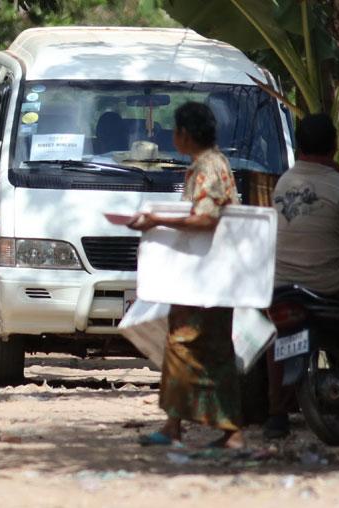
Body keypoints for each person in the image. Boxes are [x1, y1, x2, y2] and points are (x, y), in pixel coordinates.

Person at [128, 102, 244, 449]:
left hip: (206, 279)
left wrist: (158, 221)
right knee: (210, 351)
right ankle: (190, 426)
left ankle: (200, 428)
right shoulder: (208, 165)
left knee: (183, 347)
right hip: (206, 276)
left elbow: (207, 219)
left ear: (185, 134)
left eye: (175, 131)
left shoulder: (208, 167)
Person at [267, 113, 339, 439]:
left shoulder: (284, 182)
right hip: (329, 287)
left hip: (283, 287)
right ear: (334, 145)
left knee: (274, 338)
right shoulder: (338, 185)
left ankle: (276, 414)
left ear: (298, 145)